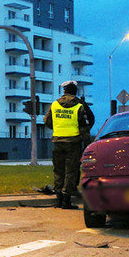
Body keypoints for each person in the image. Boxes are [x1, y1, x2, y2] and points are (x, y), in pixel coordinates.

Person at [43, 80, 91, 209]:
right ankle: (66, 201)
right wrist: (87, 144)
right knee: (71, 171)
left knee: (58, 170)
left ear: (64, 91)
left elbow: (47, 121)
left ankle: (58, 200)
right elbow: (85, 127)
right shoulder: (79, 106)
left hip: (58, 142)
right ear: (75, 92)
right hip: (73, 143)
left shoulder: (54, 105)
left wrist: (58, 128)